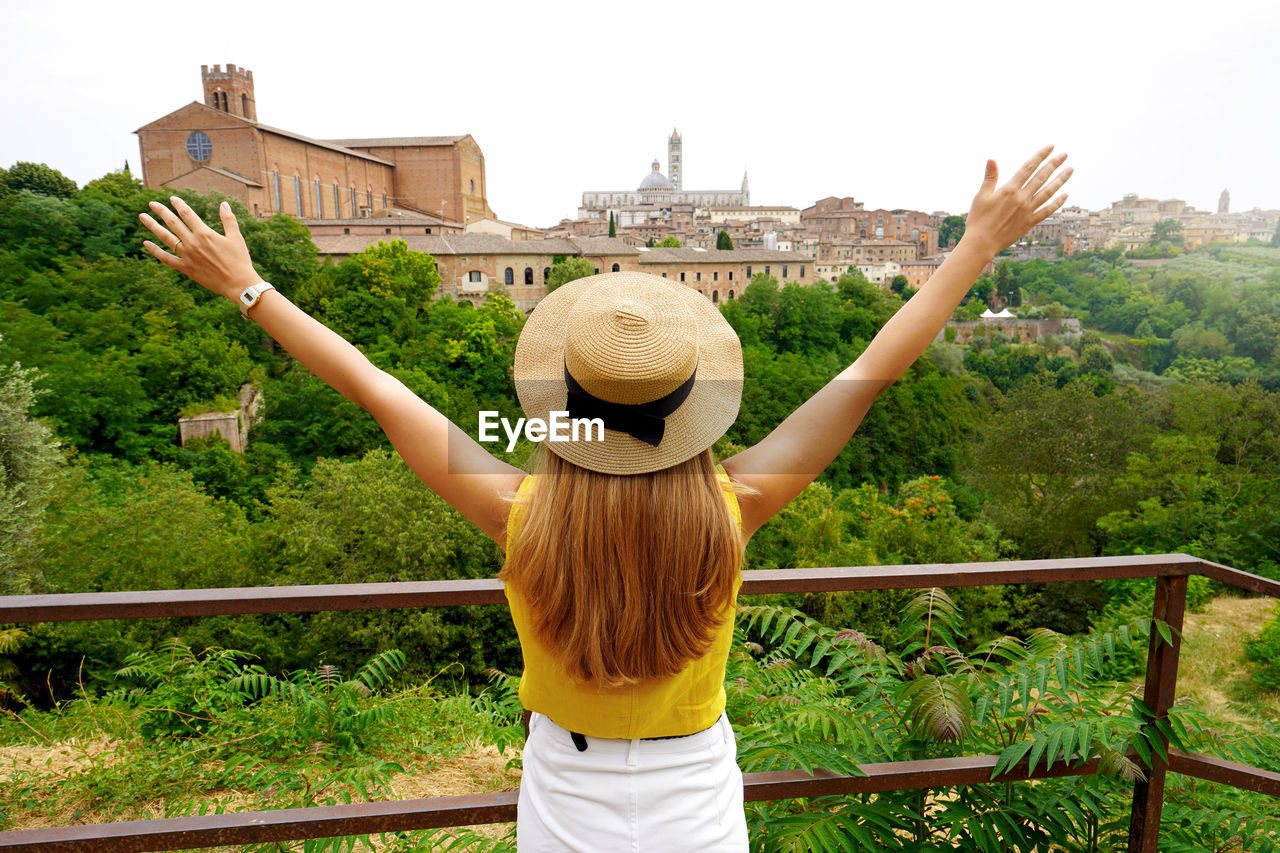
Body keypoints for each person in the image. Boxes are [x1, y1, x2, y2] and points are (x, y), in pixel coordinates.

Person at [139, 145, 1071, 851]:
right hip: (697, 790)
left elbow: (380, 388)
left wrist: (250, 286)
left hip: (565, 786)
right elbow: (871, 369)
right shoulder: (732, 504)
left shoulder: (516, 509)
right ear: (690, 407)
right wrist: (977, 243)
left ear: (561, 405)